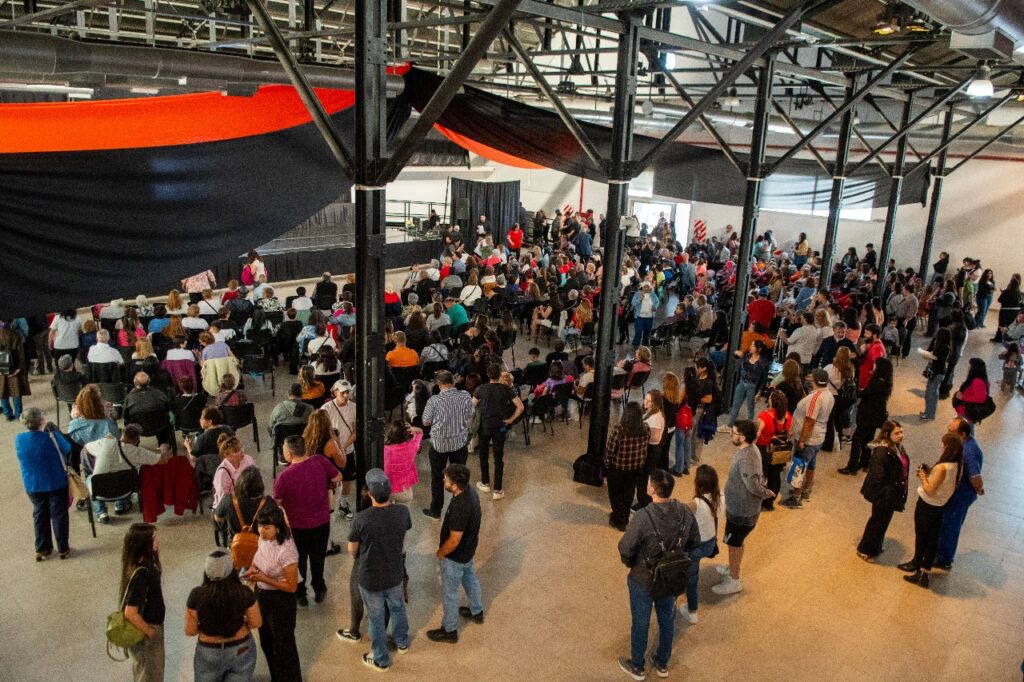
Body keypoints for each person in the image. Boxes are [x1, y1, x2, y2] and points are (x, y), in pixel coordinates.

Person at [616, 468, 700, 680]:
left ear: (652, 489)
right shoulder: (685, 511)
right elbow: (695, 540)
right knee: (667, 618)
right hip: (672, 577)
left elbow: (626, 547)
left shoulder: (643, 517)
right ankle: (662, 662)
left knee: (641, 622)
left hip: (643, 578)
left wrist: (631, 563)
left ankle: (637, 665)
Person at [347, 469, 412, 672]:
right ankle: (402, 642)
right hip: (394, 572)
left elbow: (352, 549)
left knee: (375, 618)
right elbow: (403, 535)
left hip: (370, 577)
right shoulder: (402, 512)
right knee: (398, 607)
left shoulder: (361, 519)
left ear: (370, 494)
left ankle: (380, 658)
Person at [273, 435, 340, 607]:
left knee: (299, 560)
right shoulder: (319, 461)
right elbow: (337, 477)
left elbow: (277, 502)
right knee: (318, 558)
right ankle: (319, 589)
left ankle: (300, 594)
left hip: (297, 526)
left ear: (289, 454)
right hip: (321, 521)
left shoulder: (283, 477)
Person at [426, 463, 484, 643]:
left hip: (455, 556)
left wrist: (441, 553)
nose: (443, 481)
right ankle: (476, 610)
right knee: (470, 578)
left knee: (450, 593)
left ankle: (449, 630)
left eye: (446, 480)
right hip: (468, 550)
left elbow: (454, 540)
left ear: (454, 485)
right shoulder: (471, 493)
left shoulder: (460, 506)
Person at [715, 420, 774, 596]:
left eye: (733, 433)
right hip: (739, 507)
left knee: (734, 544)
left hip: (741, 511)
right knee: (735, 542)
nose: (731, 435)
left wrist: (767, 493)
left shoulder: (747, 458)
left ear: (742, 437)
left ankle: (734, 579)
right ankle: (732, 566)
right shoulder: (750, 450)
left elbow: (753, 485)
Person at [898, 433, 963, 589]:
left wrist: (922, 476)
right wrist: (929, 473)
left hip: (927, 505)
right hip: (940, 506)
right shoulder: (958, 466)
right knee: (932, 539)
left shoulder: (942, 467)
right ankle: (925, 571)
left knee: (922, 536)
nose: (941, 446)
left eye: (943, 444)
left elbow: (929, 489)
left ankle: (916, 564)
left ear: (948, 447)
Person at [185, 551, 262, 682]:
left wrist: (205, 624)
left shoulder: (196, 595)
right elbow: (256, 623)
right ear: (231, 571)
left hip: (208, 651)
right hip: (241, 648)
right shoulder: (243, 592)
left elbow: (190, 630)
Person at [248, 506, 301, 681]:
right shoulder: (263, 538)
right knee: (267, 642)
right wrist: (253, 568)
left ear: (278, 528)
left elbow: (292, 587)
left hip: (281, 602)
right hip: (262, 596)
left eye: (266, 527)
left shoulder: (287, 551)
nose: (261, 531)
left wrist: (264, 578)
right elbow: (259, 554)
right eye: (259, 526)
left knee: (284, 648)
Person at [15, 408, 72, 560]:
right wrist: (56, 433)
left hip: (33, 484)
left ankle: (42, 548)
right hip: (56, 481)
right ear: (41, 421)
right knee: (59, 515)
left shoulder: (19, 439)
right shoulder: (52, 437)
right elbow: (67, 448)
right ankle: (63, 549)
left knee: (40, 514)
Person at [84, 424, 169, 522]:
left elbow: (86, 447)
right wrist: (164, 448)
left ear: (122, 433)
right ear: (137, 440)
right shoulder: (138, 452)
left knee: (89, 478)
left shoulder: (104, 443)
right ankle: (120, 505)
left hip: (100, 490)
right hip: (126, 490)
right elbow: (163, 461)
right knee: (122, 478)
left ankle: (102, 513)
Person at [421, 371, 474, 520]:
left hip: (439, 444)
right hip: (459, 443)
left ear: (439, 385)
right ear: (453, 382)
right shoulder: (464, 395)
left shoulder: (434, 400)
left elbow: (425, 421)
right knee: (460, 477)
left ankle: (436, 511)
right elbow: (470, 414)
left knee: (437, 477)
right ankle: (460, 509)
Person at [780, 369, 835, 508]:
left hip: (809, 439)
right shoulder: (829, 395)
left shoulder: (815, 398)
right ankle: (806, 490)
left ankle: (796, 497)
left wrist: (802, 440)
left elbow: (810, 420)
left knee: (799, 466)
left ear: (815, 380)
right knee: (811, 465)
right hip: (819, 437)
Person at [935, 417, 985, 570]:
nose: (947, 434)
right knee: (948, 523)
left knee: (951, 525)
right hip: (957, 493)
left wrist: (979, 488)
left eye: (951, 431)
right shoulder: (966, 443)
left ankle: (944, 559)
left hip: (960, 495)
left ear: (962, 434)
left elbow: (975, 476)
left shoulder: (967, 451)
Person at [856, 420, 910, 562]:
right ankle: (865, 549)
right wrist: (886, 493)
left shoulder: (897, 447)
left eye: (901, 432)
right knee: (877, 521)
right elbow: (877, 476)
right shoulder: (881, 452)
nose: (901, 435)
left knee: (884, 521)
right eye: (897, 433)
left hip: (892, 493)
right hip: (884, 494)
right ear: (887, 434)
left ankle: (876, 546)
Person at [120, 523, 165, 682]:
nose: (157, 541)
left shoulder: (144, 564)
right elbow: (130, 612)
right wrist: (150, 632)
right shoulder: (141, 574)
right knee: (149, 673)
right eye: (153, 539)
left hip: (151, 626)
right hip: (146, 631)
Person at [473, 363, 524, 500]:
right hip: (500, 426)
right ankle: (498, 490)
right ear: (500, 374)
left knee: (483, 455)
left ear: (488, 374)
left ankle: (485, 483)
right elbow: (520, 407)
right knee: (498, 457)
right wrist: (510, 420)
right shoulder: (506, 389)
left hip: (484, 426)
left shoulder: (481, 389)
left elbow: (471, 406)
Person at [680, 464, 720, 625]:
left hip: (695, 547)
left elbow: (681, 520)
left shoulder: (695, 503)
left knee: (690, 578)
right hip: (710, 543)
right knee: (690, 572)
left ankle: (692, 611)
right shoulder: (719, 497)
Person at [840, 357, 893, 475]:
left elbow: (863, 394)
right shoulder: (886, 383)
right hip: (876, 416)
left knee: (857, 439)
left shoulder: (876, 382)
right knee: (868, 439)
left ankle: (852, 466)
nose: (873, 366)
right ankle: (865, 462)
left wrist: (857, 389)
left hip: (867, 415)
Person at [604, 402, 651, 531]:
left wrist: (606, 464)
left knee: (615, 493)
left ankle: (619, 520)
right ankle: (625, 516)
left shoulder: (619, 429)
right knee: (629, 492)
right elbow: (645, 445)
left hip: (618, 467)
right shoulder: (646, 428)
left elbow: (610, 449)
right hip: (636, 467)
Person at [320, 380, 357, 518]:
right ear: (335, 392)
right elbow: (322, 431)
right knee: (331, 479)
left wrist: (344, 446)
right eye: (343, 393)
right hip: (331, 451)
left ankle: (343, 503)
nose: (346, 396)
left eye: (348, 392)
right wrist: (336, 448)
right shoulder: (326, 409)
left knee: (347, 478)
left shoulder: (353, 407)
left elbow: (355, 431)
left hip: (347, 449)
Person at [213, 466, 279, 537]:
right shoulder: (268, 502)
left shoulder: (228, 500)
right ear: (260, 484)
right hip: (261, 541)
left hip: (236, 541)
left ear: (240, 483)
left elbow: (217, 518)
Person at [754, 390, 791, 511]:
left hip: (763, 450)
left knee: (761, 476)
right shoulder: (788, 416)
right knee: (775, 476)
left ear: (771, 401)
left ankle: (758, 502)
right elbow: (789, 434)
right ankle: (769, 503)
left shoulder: (764, 416)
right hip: (779, 451)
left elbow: (756, 435)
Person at [727, 340, 770, 426]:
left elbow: (764, 378)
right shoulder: (747, 355)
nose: (750, 347)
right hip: (742, 383)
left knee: (750, 408)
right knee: (735, 405)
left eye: (753, 346)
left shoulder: (764, 362)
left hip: (753, 386)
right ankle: (729, 425)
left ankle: (750, 427)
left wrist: (759, 392)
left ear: (759, 349)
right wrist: (736, 353)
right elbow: (736, 356)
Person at [211, 433, 256, 509]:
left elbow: (256, 480)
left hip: (249, 499)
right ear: (227, 455)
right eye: (236, 451)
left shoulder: (248, 459)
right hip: (232, 505)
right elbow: (224, 501)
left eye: (241, 448)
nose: (241, 451)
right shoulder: (222, 473)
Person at [383, 420, 423, 504]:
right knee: (403, 511)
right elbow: (420, 432)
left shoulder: (385, 449)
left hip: (387, 489)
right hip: (404, 491)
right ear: (407, 434)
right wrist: (412, 428)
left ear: (391, 433)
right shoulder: (412, 446)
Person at [919, 328, 951, 421]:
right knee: (930, 392)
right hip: (936, 372)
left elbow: (938, 361)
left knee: (931, 394)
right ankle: (928, 412)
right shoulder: (940, 345)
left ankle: (930, 414)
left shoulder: (944, 348)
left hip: (937, 373)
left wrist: (928, 357)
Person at [0, 322, 30, 420]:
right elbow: (21, 354)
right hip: (14, 366)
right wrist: (20, 368)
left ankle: (7, 414)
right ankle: (18, 415)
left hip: (1, 368)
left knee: (2, 391)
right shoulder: (15, 334)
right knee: (16, 391)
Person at [953, 358, 991, 422]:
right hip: (966, 409)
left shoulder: (978, 381)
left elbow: (981, 399)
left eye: (970, 365)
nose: (968, 366)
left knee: (965, 427)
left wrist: (963, 397)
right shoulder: (974, 378)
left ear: (975, 368)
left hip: (968, 411)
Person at [631, 281, 659, 348]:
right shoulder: (638, 293)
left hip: (649, 317)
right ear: (642, 287)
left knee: (647, 332)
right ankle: (636, 344)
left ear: (650, 288)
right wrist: (640, 299)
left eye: (647, 287)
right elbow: (633, 303)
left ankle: (645, 344)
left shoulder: (653, 294)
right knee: (638, 331)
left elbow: (657, 301)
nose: (646, 289)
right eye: (644, 287)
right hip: (639, 316)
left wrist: (655, 307)